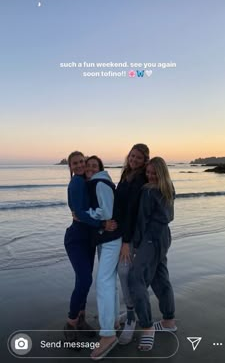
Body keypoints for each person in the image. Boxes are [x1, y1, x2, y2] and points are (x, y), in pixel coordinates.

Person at [64, 151, 116, 341]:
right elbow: (79, 212)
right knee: (85, 280)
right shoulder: (77, 182)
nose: (79, 166)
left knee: (83, 280)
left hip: (88, 239)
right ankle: (70, 323)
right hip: (76, 239)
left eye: (81, 162)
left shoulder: (88, 181)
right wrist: (102, 224)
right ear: (70, 167)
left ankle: (81, 319)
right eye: (74, 163)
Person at [129, 157, 177, 351]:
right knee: (160, 277)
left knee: (136, 279)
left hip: (150, 237)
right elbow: (168, 216)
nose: (149, 175)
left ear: (161, 172)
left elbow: (142, 220)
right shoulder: (169, 188)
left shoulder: (149, 191)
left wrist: (136, 244)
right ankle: (168, 321)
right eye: (147, 172)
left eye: (153, 172)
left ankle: (147, 327)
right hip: (164, 236)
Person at [84, 156, 122, 360]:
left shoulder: (99, 182)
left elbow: (106, 212)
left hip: (110, 238)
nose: (89, 168)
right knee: (109, 281)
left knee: (103, 282)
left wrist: (86, 212)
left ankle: (108, 335)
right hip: (106, 239)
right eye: (87, 165)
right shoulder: (99, 182)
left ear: (99, 168)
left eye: (93, 165)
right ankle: (114, 321)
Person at [112, 143, 150, 345]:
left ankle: (131, 317)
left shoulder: (140, 179)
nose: (134, 160)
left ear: (145, 161)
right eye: (132, 156)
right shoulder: (126, 174)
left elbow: (133, 211)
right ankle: (129, 312)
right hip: (119, 232)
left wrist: (127, 241)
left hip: (131, 235)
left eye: (138, 158)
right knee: (121, 272)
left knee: (124, 272)